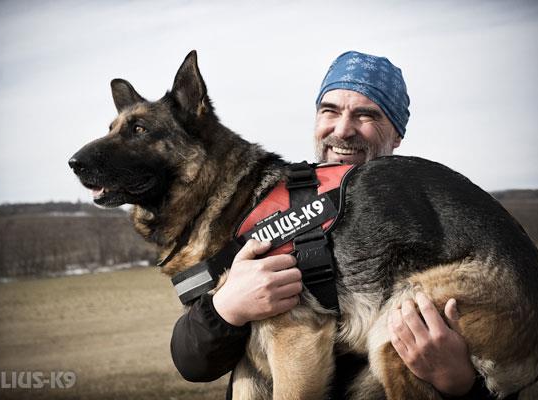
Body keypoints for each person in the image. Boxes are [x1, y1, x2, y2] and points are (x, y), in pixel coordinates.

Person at [171, 51, 513, 399]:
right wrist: (225, 308)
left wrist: (460, 383)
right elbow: (193, 363)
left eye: (366, 115)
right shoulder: (270, 199)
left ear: (397, 134)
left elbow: (510, 356)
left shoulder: (441, 217)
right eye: (330, 111)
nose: (343, 130)